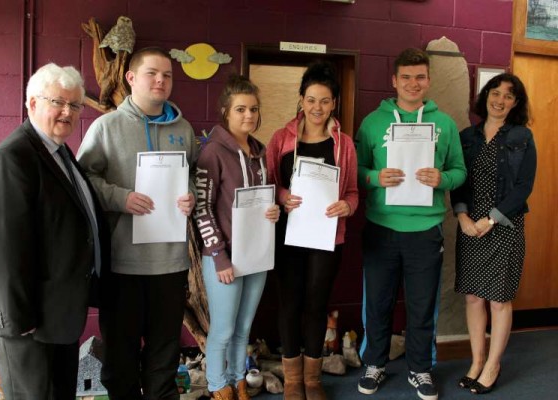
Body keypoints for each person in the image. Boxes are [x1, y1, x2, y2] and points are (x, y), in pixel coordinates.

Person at [0, 63, 109, 400]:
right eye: (58, 102)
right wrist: (19, 319)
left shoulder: (59, 150)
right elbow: (5, 248)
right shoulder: (11, 159)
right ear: (32, 103)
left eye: (75, 105)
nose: (68, 112)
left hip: (58, 310)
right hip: (28, 319)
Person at [77, 47, 198, 400]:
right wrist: (121, 198)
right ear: (131, 78)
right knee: (121, 359)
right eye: (152, 73)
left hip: (170, 263)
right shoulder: (107, 127)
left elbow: (190, 176)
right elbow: (83, 181)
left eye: (167, 75)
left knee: (164, 355)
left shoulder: (184, 129)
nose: (160, 80)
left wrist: (189, 194)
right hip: (123, 264)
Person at [355, 48, 466, 400]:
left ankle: (420, 369)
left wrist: (442, 179)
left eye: (420, 77)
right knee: (377, 302)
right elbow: (352, 171)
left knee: (421, 306)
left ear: (429, 80)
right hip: (381, 228)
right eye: (406, 77)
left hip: (425, 230)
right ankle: (375, 363)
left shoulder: (445, 124)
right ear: (394, 81)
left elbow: (460, 171)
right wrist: (373, 176)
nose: (413, 83)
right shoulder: (373, 122)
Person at [266, 61, 359, 400]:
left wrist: (347, 206)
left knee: (317, 304)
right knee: (290, 303)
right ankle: (293, 380)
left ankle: (313, 379)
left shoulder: (343, 144)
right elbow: (270, 184)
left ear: (334, 102)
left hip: (327, 237)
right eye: (311, 99)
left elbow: (352, 193)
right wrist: (283, 196)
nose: (317, 107)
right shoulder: (281, 138)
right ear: (301, 99)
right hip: (289, 235)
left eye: (324, 100)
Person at [194, 74, 280, 400]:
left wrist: (273, 211)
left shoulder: (259, 153)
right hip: (224, 258)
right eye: (241, 109)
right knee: (223, 330)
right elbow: (201, 208)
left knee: (244, 328)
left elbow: (259, 202)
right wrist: (218, 256)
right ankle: (219, 387)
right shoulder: (212, 153)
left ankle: (238, 379)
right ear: (226, 111)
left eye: (254, 109)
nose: (249, 115)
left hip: (255, 255)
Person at [450, 73, 536, 394]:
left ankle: (493, 364)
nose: (499, 100)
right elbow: (458, 180)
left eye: (508, 96)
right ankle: (476, 360)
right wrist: (461, 215)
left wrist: (491, 219)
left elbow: (524, 188)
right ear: (486, 95)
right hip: (470, 226)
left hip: (503, 227)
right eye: (495, 93)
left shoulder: (521, 137)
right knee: (473, 297)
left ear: (516, 103)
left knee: (499, 301)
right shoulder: (466, 136)